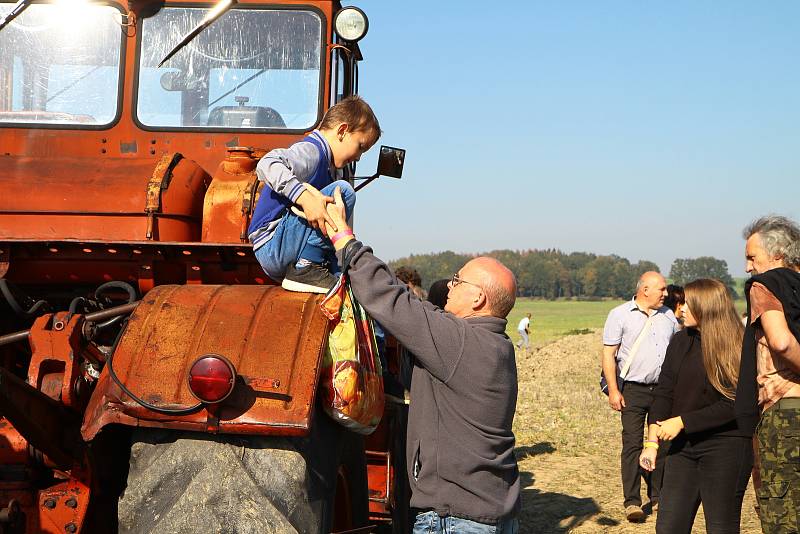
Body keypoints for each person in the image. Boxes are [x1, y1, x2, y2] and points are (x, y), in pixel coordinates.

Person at [324, 187, 520, 533]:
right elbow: (421, 314)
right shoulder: (495, 345)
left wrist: (346, 241)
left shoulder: (459, 342)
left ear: (477, 297)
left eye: (457, 281)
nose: (449, 287)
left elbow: (397, 303)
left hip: (455, 518)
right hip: (490, 513)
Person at [640, 279, 752, 533]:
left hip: (727, 447)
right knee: (669, 527)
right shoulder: (680, 341)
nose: (681, 309)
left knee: (721, 527)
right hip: (683, 448)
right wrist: (651, 443)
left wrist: (682, 422)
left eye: (689, 304)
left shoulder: (740, 345)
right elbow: (663, 392)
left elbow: (735, 404)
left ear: (707, 307)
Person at [247, 96, 380, 293]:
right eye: (360, 147)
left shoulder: (327, 167)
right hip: (272, 242)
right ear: (342, 131)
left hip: (284, 246)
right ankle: (306, 266)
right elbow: (267, 163)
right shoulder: (312, 151)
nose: (359, 156)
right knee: (343, 192)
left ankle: (335, 274)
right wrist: (304, 197)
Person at [734, 215, 800, 534]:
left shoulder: (766, 284)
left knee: (783, 516)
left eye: (751, 257)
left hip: (786, 413)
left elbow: (782, 341)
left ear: (777, 255)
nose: (748, 268)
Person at [601, 271, 680, 522]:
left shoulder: (669, 316)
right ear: (645, 290)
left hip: (663, 391)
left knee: (662, 444)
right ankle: (632, 502)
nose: (666, 294)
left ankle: (658, 497)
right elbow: (608, 355)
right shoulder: (619, 314)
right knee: (633, 444)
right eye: (662, 290)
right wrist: (614, 390)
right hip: (632, 390)